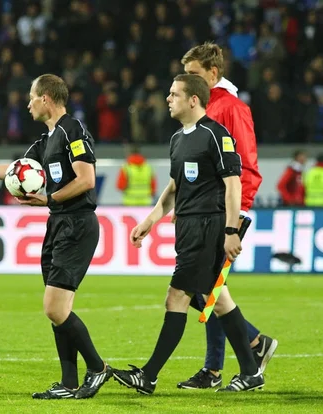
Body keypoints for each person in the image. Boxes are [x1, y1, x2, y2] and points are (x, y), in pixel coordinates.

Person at [0, 74, 112, 400]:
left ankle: (98, 368)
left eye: (31, 97)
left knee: (54, 308)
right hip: (58, 224)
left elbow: (87, 179)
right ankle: (68, 383)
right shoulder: (45, 140)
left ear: (46, 98)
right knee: (58, 308)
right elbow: (15, 168)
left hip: (77, 224)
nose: (27, 103)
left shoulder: (72, 130)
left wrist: (50, 199)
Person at [113, 74, 265, 394]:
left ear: (193, 99)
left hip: (209, 228)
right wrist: (151, 220)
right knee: (218, 301)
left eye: (174, 94)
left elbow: (233, 183)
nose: (167, 99)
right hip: (187, 228)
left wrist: (230, 229)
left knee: (177, 296)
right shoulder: (177, 139)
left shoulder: (216, 134)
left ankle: (149, 375)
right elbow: (174, 188)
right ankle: (251, 371)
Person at [178, 42, 277, 389]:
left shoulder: (232, 108)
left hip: (225, 212)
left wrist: (238, 216)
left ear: (213, 73)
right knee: (205, 289)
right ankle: (233, 357)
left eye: (193, 75)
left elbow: (247, 164)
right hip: (201, 210)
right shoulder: (203, 106)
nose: (186, 81)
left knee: (204, 288)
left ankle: (241, 359)